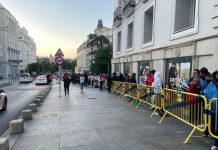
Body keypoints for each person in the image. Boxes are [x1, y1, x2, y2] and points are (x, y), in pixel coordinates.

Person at [203, 71, 218, 150]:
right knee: (214, 125)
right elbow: (206, 93)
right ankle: (216, 143)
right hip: (213, 108)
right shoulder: (211, 84)